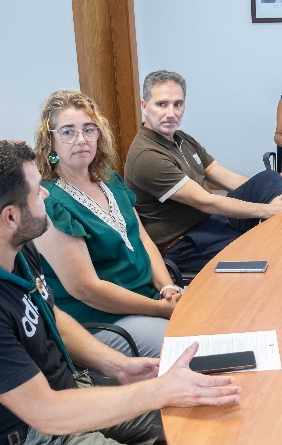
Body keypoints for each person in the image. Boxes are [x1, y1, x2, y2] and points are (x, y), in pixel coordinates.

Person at [0, 141, 241, 445]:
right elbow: (46, 413)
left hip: (68, 394)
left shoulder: (11, 250)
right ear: (10, 217)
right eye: (38, 193)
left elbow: (52, 317)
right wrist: (159, 391)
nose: (48, 198)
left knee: (211, 419)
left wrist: (118, 366)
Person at [33, 90, 178, 358]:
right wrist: (160, 309)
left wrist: (168, 289)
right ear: (50, 141)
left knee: (215, 315)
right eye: (67, 132)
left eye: (89, 129)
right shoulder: (49, 202)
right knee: (190, 345)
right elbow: (88, 290)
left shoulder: (108, 178)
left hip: (149, 299)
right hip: (103, 322)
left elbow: (143, 240)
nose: (81, 140)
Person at [125, 70, 282, 273]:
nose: (171, 113)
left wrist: (276, 200)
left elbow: (229, 179)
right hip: (184, 243)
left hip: (209, 221)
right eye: (162, 104)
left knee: (269, 178)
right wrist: (269, 210)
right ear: (144, 105)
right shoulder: (147, 155)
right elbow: (206, 201)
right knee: (258, 249)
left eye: (177, 104)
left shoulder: (181, 139)